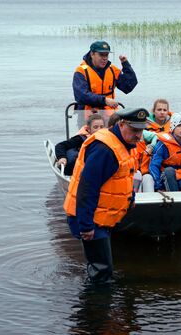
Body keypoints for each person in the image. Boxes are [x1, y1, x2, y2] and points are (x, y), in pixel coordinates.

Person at [63, 107, 149, 283]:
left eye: (141, 130)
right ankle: (95, 307)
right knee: (102, 272)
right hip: (91, 218)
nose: (139, 135)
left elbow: (124, 176)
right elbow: (88, 188)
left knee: (102, 267)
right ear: (121, 124)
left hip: (103, 215)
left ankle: (100, 303)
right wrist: (86, 226)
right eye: (134, 130)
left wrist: (130, 197)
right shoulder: (104, 150)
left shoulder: (124, 143)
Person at [73, 40, 138, 110]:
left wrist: (126, 65)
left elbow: (128, 87)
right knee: (97, 121)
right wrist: (104, 100)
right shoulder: (81, 71)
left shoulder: (112, 70)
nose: (104, 58)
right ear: (92, 54)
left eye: (106, 55)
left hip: (110, 115)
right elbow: (81, 96)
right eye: (101, 55)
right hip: (88, 115)